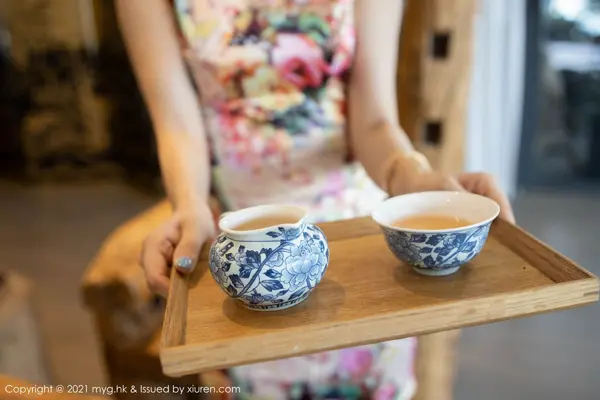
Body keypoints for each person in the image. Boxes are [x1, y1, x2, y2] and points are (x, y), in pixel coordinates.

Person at [116, 0, 516, 398]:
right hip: (245, 253)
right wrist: (189, 205)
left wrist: (415, 179)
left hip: (356, 242)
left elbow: (374, 120)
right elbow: (177, 124)